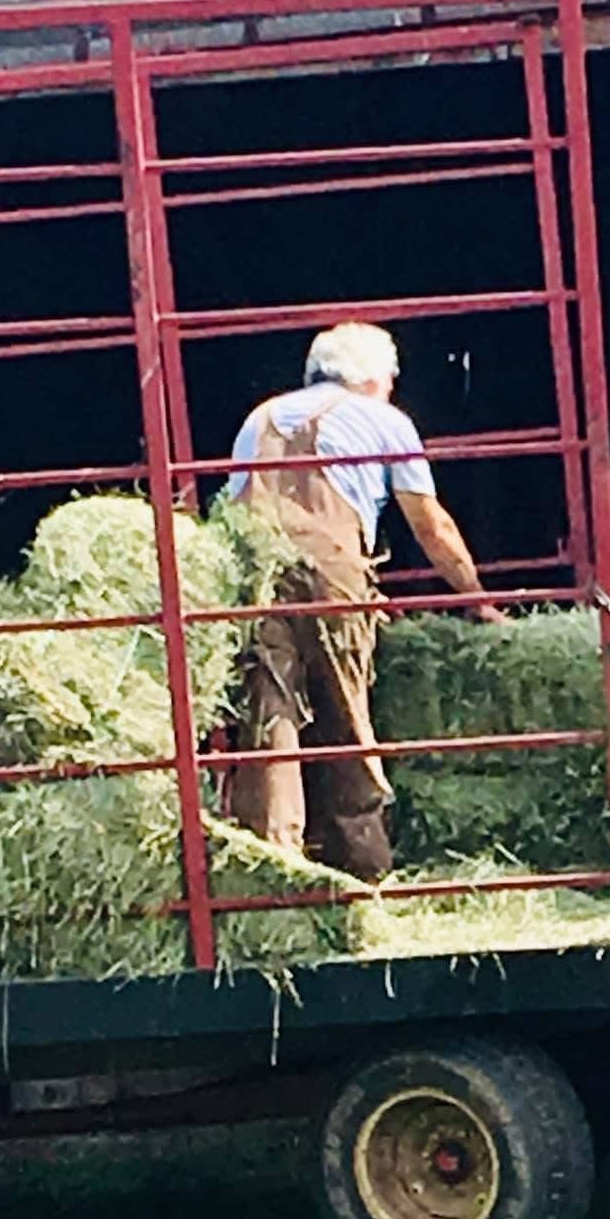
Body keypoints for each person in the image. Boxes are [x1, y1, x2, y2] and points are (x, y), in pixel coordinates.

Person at [223, 321, 503, 881]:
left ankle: (276, 864)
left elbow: (233, 513)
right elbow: (431, 526)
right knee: (343, 709)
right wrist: (477, 599)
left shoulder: (260, 419)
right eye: (392, 379)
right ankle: (363, 867)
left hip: (256, 578)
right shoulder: (383, 419)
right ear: (374, 377)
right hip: (332, 577)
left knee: (271, 713)